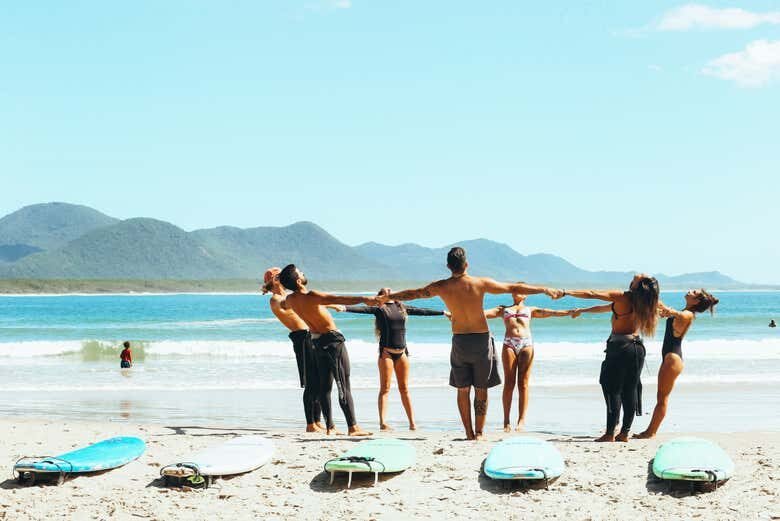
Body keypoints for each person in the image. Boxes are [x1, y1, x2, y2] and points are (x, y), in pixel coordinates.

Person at [386, 247, 563, 440]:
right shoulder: (480, 283)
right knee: (481, 388)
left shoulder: (441, 286)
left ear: (448, 266)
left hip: (460, 340)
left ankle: (469, 433)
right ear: (467, 264)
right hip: (481, 340)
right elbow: (513, 288)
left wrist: (390, 296)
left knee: (463, 389)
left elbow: (416, 293)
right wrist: (545, 289)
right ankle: (479, 433)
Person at [278, 264, 379, 436]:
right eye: (301, 272)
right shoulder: (313, 295)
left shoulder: (290, 300)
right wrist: (364, 298)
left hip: (316, 342)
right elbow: (340, 298)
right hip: (333, 341)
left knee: (325, 387)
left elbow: (284, 305)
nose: (304, 272)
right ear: (299, 280)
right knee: (343, 384)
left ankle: (330, 427)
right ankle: (353, 427)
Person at [336, 289, 451, 431]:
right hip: (387, 353)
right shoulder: (379, 309)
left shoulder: (402, 307)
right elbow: (363, 309)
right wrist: (344, 308)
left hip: (402, 352)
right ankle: (383, 423)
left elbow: (422, 311)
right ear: (380, 296)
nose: (389, 291)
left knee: (404, 389)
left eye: (390, 290)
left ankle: (412, 424)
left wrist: (443, 313)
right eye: (385, 290)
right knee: (385, 388)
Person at [564, 274, 660, 442]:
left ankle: (609, 433)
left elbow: (592, 293)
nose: (638, 274)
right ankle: (624, 433)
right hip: (637, 348)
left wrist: (565, 292)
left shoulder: (624, 297)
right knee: (630, 390)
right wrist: (582, 311)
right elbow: (606, 308)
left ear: (639, 285)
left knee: (611, 388)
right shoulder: (645, 301)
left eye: (641, 276)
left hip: (620, 348)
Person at [484, 293, 580, 432]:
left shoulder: (530, 310)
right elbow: (482, 313)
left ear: (526, 295)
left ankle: (521, 420)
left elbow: (551, 312)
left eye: (521, 290)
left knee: (523, 384)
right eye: (515, 290)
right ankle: (506, 421)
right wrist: (457, 313)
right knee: (509, 383)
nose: (518, 292)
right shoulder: (503, 309)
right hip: (509, 343)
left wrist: (569, 312)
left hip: (526, 343)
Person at [632, 289, 719, 439]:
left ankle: (651, 432)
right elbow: (668, 310)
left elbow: (678, 314)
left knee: (662, 398)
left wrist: (667, 310)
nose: (689, 291)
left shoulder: (688, 314)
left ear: (696, 301)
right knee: (661, 397)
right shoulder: (684, 312)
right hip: (670, 357)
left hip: (673, 359)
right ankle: (650, 431)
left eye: (693, 292)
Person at [264, 266, 338, 433]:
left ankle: (318, 422)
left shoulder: (289, 296)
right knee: (311, 382)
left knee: (319, 381)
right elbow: (292, 306)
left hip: (310, 335)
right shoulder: (275, 299)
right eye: (280, 276)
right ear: (275, 280)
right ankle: (310, 423)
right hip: (301, 338)